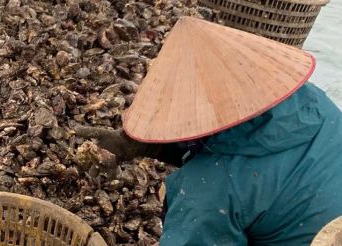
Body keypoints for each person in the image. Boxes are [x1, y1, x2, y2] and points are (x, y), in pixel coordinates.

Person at [75, 17, 342, 245]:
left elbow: (233, 172)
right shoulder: (312, 100)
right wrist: (151, 146)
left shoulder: (211, 189)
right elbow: (249, 140)